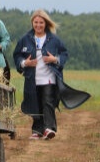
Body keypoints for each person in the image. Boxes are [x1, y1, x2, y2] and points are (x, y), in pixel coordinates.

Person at [13, 9, 69, 140]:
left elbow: (64, 54)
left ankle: (49, 128)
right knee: (34, 103)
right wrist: (24, 63)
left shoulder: (54, 40)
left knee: (48, 102)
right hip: (32, 78)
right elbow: (17, 55)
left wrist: (54, 59)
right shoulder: (25, 39)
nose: (38, 25)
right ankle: (37, 130)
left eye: (41, 23)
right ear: (32, 23)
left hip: (49, 77)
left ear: (46, 23)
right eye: (36, 22)